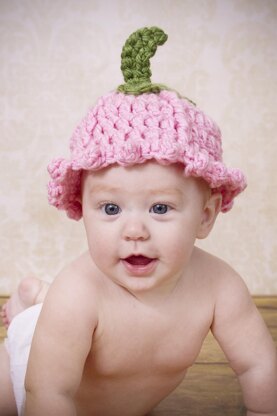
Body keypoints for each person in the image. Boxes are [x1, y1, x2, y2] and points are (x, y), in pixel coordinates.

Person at [0, 26, 276, 416]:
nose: (134, 231)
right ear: (82, 206)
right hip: (34, 373)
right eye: (111, 209)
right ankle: (31, 309)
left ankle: (33, 298)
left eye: (160, 208)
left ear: (206, 216)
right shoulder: (78, 294)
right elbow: (48, 393)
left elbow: (258, 364)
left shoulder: (218, 286)